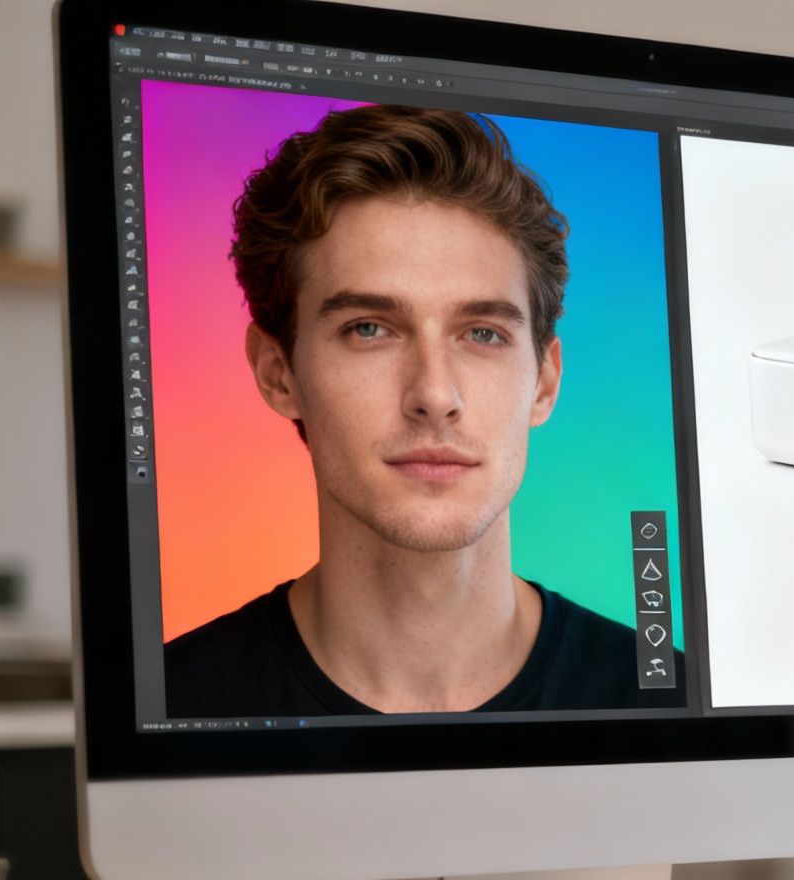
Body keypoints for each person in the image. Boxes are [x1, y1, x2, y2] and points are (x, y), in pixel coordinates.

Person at [166, 105, 652, 716]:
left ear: (544, 383)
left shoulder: (663, 700)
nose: (434, 396)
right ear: (277, 371)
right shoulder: (177, 704)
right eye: (369, 329)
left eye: (482, 334)